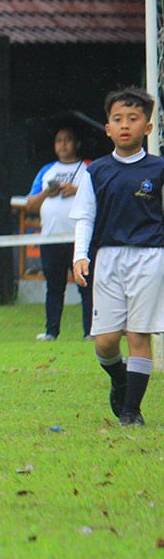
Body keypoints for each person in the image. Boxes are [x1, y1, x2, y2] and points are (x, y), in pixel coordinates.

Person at [71, 86, 164, 428]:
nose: (125, 125)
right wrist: (80, 255)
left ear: (148, 127)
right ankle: (119, 378)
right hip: (108, 259)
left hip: (150, 258)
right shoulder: (96, 171)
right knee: (107, 342)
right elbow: (85, 217)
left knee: (139, 335)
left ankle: (131, 412)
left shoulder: (158, 169)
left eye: (133, 118)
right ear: (107, 128)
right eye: (117, 119)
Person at [26, 126, 92, 341]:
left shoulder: (89, 168)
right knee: (54, 288)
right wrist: (47, 192)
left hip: (80, 239)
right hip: (51, 239)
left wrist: (76, 190)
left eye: (68, 140)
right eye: (59, 140)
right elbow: (31, 206)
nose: (63, 145)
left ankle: (90, 332)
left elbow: (102, 197)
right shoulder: (47, 170)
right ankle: (51, 331)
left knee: (87, 287)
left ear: (77, 144)